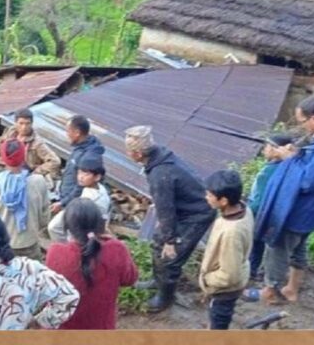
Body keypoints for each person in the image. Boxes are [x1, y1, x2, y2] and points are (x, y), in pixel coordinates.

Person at [124, 125, 216, 313]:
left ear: (139, 154)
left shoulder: (160, 173)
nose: (127, 154)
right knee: (157, 243)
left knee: (171, 256)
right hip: (183, 208)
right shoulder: (159, 157)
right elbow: (165, 205)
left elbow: (166, 208)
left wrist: (171, 240)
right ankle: (158, 281)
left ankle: (165, 297)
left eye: (129, 151)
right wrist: (165, 231)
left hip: (196, 213)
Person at [249, 95, 314, 305]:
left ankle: (271, 290)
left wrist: (290, 159)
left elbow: (308, 181)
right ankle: (292, 289)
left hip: (297, 210)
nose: (303, 127)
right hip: (309, 212)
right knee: (298, 248)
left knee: (277, 247)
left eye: (303, 122)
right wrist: (297, 154)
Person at [46, 198, 138, 329]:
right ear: (100, 224)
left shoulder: (55, 252)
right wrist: (114, 241)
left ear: (67, 227)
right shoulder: (116, 249)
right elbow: (130, 279)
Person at [200, 170, 254, 330]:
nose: (206, 198)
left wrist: (207, 280)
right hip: (233, 278)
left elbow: (229, 275)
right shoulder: (243, 209)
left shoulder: (232, 232)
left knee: (219, 321)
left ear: (223, 200)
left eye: (209, 195)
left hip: (224, 290)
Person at [0, 139, 50, 261]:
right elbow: (45, 216)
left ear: (3, 158)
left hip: (3, 246)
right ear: (23, 156)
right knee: (31, 276)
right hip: (30, 243)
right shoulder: (38, 182)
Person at [246, 133, 294, 280]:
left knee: (254, 243)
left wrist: (247, 211)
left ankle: (250, 271)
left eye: (267, 146)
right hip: (270, 213)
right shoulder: (283, 168)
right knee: (259, 242)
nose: (264, 150)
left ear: (275, 150)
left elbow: (259, 198)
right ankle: (254, 270)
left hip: (259, 212)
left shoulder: (269, 172)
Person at [49, 115, 105, 218]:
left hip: (74, 204)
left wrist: (63, 203)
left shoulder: (88, 157)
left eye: (68, 131)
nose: (67, 134)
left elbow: (81, 185)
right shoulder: (80, 148)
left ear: (77, 133)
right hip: (67, 198)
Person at [48, 154, 111, 242]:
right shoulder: (96, 187)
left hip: (84, 224)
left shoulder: (94, 198)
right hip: (81, 216)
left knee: (54, 227)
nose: (81, 176)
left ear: (97, 177)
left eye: (86, 174)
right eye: (79, 172)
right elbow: (76, 192)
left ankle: (66, 250)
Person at [1, 109, 61, 185]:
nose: (24, 127)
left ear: (32, 124)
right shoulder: (10, 134)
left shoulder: (37, 143)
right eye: (21, 123)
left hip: (26, 175)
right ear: (15, 123)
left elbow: (55, 161)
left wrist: (36, 172)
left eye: (27, 124)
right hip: (10, 171)